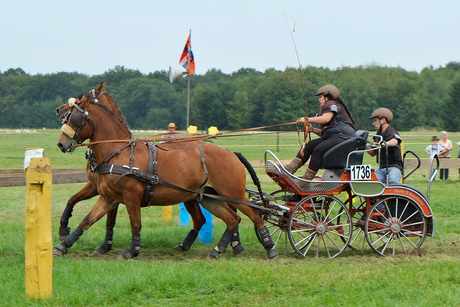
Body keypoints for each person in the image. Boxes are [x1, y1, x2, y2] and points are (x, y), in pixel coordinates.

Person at [284, 84, 356, 181]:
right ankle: (288, 171)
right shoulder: (328, 107)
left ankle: (306, 181)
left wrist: (307, 119)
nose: (319, 99)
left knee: (318, 150)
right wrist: (313, 130)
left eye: (320, 97)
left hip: (344, 138)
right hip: (337, 137)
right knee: (308, 146)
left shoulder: (331, 104)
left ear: (327, 97)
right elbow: (325, 133)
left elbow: (326, 119)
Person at [367, 108, 403, 184]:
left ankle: (395, 195)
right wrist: (363, 145)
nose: (374, 123)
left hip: (394, 166)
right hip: (381, 168)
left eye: (375, 120)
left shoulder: (391, 131)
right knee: (372, 184)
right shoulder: (378, 135)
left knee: (392, 181)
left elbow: (395, 141)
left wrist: (385, 143)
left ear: (383, 120)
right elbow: (373, 153)